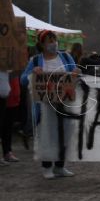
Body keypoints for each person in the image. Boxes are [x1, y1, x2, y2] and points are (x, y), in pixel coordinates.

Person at [20, 30, 81, 179]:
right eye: (49, 40)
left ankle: (60, 166)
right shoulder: (35, 61)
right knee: (46, 135)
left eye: (54, 39)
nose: (53, 43)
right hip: (44, 106)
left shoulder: (66, 57)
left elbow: (76, 75)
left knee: (64, 135)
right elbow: (23, 80)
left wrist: (76, 73)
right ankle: (47, 167)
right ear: (42, 44)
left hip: (64, 104)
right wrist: (32, 73)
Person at [1, 71, 21, 163]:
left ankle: (7, 152)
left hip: (12, 96)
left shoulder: (13, 65)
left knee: (8, 127)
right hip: (3, 95)